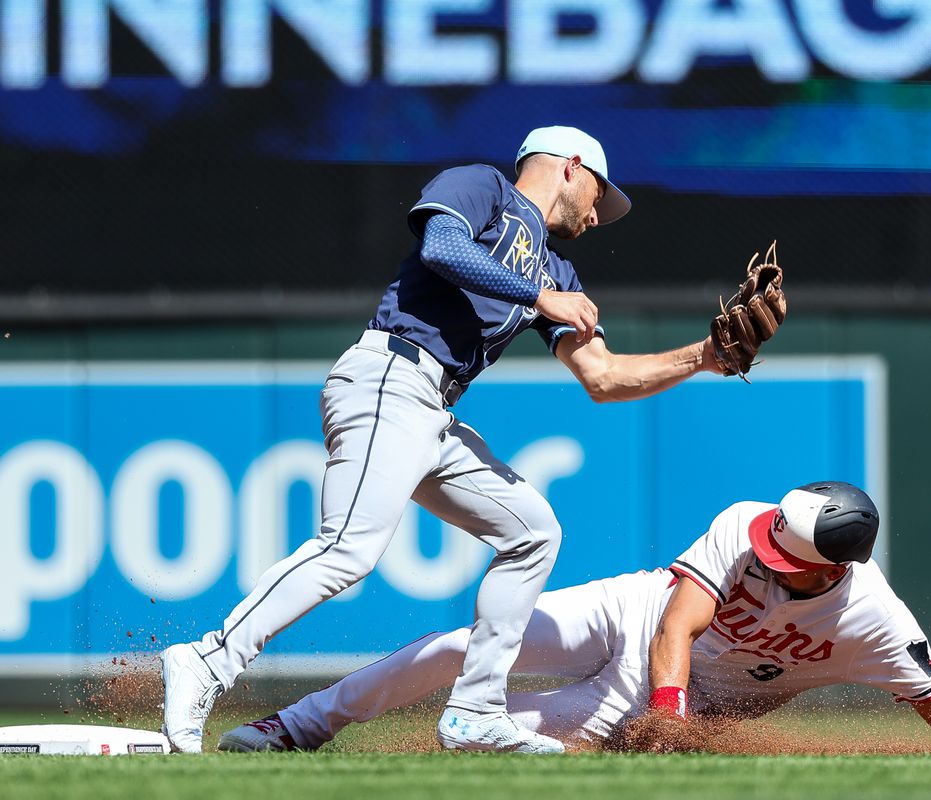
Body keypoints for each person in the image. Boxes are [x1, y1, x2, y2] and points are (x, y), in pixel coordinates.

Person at [161, 126, 729, 754]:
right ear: (569, 167)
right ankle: (206, 660)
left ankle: (476, 710)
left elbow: (603, 375)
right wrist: (541, 296)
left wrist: (704, 356)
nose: (599, 215)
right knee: (348, 549)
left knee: (533, 533)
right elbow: (442, 247)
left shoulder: (557, 268)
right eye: (599, 193)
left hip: (433, 410)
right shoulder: (482, 187)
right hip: (389, 375)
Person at [216, 482, 931, 754]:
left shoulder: (873, 620)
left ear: (834, 567)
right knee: (459, 646)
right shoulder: (749, 520)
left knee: (494, 737)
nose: (766, 549)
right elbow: (676, 627)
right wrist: (672, 718)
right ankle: (294, 725)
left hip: (652, 697)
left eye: (787, 553)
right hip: (641, 624)